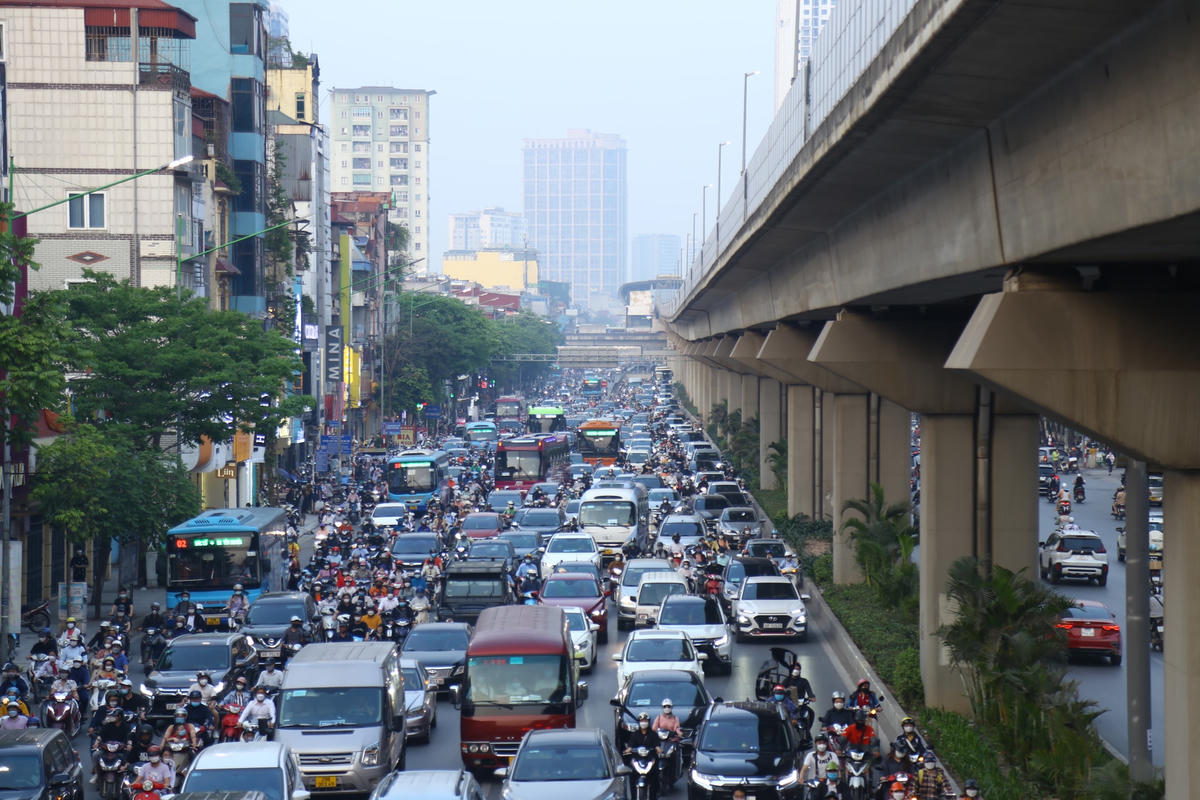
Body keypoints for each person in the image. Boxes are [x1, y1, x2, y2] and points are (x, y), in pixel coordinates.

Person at [622, 712, 661, 800]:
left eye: (645, 721)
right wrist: (628, 749)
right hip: (637, 759)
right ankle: (633, 797)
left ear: (648, 722)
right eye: (642, 721)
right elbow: (630, 745)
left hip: (650, 759)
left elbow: (657, 745)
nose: (644, 722)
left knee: (655, 776)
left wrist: (658, 749)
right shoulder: (635, 734)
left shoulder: (653, 734)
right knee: (632, 776)